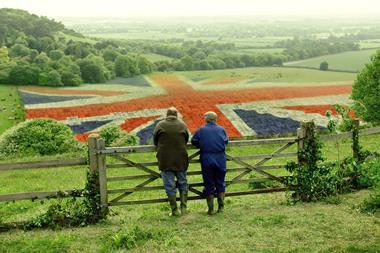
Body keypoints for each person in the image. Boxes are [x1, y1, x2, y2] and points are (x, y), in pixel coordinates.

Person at [153, 107, 190, 216]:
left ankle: (174, 210)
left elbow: (155, 140)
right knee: (183, 182)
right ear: (176, 115)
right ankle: (184, 208)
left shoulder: (160, 125)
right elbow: (186, 139)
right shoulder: (183, 125)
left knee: (169, 185)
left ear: (167, 114)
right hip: (181, 159)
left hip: (165, 159)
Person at [191, 111, 229, 215]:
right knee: (220, 181)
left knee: (209, 183)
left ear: (206, 119)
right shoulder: (222, 129)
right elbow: (226, 141)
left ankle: (211, 209)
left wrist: (202, 145)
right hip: (220, 158)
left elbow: (193, 141)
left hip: (207, 157)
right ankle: (221, 208)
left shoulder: (201, 130)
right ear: (216, 119)